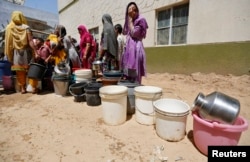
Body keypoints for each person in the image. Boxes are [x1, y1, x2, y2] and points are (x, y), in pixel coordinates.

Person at [4, 11, 38, 94]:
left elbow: (9, 43)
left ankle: (23, 88)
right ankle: (33, 88)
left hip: (16, 53)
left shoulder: (9, 28)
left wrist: (10, 55)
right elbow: (30, 41)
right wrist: (36, 52)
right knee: (31, 70)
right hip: (27, 51)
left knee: (19, 71)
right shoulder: (26, 27)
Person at [122, 2, 148, 84]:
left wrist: (129, 20)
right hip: (129, 50)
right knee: (128, 74)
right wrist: (127, 20)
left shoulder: (141, 20)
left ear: (136, 10)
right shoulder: (130, 20)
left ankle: (136, 90)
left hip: (136, 49)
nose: (132, 12)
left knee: (136, 75)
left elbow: (134, 33)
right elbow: (124, 32)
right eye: (129, 10)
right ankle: (130, 91)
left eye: (133, 9)